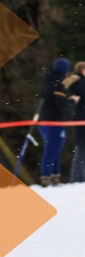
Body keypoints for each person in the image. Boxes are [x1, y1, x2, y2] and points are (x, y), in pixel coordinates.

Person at [38, 57, 78, 185]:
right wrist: (72, 100)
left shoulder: (48, 82)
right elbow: (61, 106)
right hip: (54, 123)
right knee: (53, 151)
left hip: (43, 122)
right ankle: (47, 177)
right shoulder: (57, 84)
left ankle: (54, 176)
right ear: (65, 70)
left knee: (54, 150)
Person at [63, 62, 85, 182]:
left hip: (80, 118)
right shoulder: (79, 82)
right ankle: (77, 179)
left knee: (81, 149)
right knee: (81, 148)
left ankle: (79, 178)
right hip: (81, 119)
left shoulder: (76, 81)